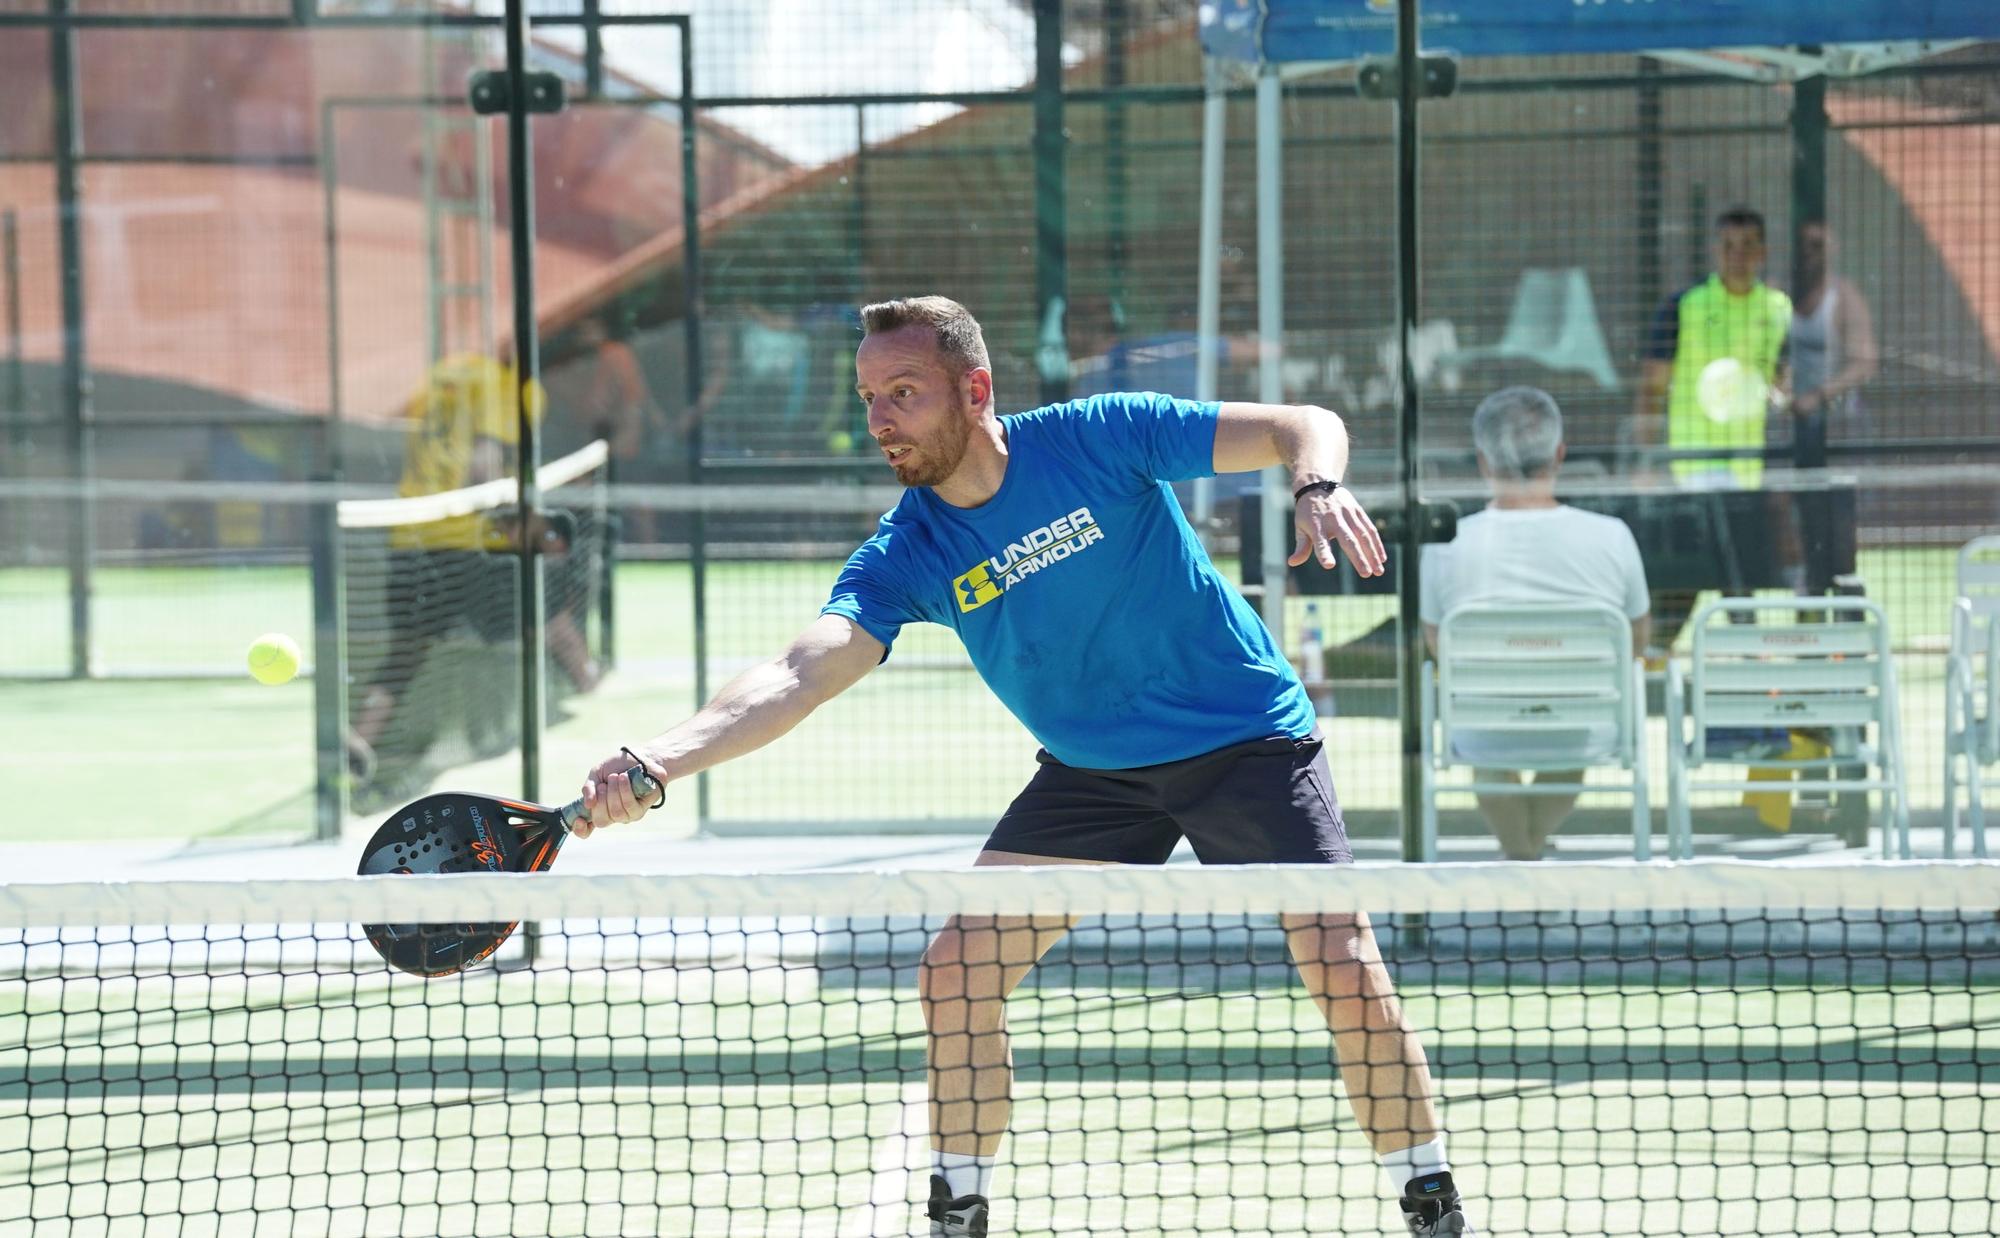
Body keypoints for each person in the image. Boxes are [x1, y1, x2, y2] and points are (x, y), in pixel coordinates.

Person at [574, 296, 1476, 1237]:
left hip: (1242, 737)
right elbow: (800, 672)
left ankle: (1430, 1199)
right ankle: (958, 1208)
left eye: (905, 393)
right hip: (1095, 773)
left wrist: (1316, 484)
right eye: (871, 396)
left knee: (1341, 963)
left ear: (975, 389)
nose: (880, 419)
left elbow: (1305, 425)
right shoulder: (907, 550)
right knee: (957, 973)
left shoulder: (1098, 437)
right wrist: (659, 759)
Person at [348, 350, 599, 795]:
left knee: (408, 649)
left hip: (411, 534)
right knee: (547, 613)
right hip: (472, 539)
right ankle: (589, 690)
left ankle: (362, 735)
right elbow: (481, 466)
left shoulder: (435, 381)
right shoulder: (507, 386)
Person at [1420, 387, 1650, 860]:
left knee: (1487, 734)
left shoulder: (1443, 545)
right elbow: (1637, 640)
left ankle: (1521, 857)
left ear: (1484, 462)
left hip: (1483, 730)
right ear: (1559, 455)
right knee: (1571, 726)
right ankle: (1529, 852)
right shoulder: (1613, 537)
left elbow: (1438, 646)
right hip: (1585, 724)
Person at [1631, 206, 1796, 649]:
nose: (1737, 256)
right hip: (1690, 470)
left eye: (1747, 246)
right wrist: (1649, 462)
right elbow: (1651, 390)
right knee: (1686, 577)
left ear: (1763, 251)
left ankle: (1749, 674)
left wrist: (1785, 395)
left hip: (1746, 473)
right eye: (1727, 246)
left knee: (1739, 580)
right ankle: (1652, 658)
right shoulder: (1684, 306)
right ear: (1714, 251)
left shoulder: (1778, 309)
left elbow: (1783, 380)